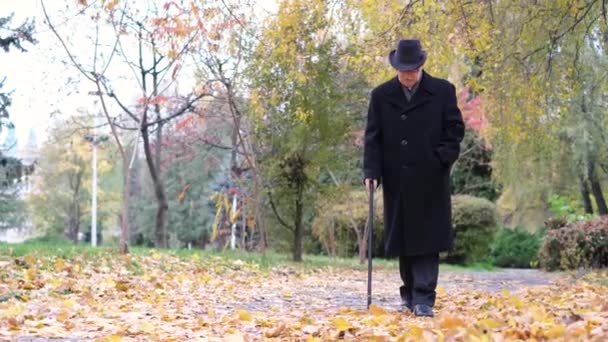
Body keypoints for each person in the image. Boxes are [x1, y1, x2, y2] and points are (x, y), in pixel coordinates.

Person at [363, 39, 465, 317]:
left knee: (427, 239)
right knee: (405, 240)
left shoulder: (443, 91)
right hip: (397, 178)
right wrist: (371, 172)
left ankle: (423, 297)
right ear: (396, 68)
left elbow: (454, 130)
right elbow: (373, 137)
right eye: (403, 70)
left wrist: (441, 158)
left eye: (413, 69)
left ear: (421, 66)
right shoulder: (381, 95)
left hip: (430, 177)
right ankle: (409, 294)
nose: (408, 75)